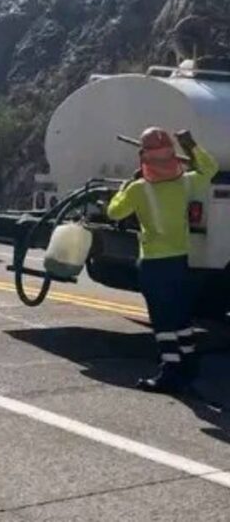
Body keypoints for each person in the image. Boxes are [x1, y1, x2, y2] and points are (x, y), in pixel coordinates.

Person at [106, 128, 217, 393]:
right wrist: (190, 145)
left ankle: (170, 372)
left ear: (144, 158)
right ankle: (189, 362)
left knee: (163, 320)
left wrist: (123, 188)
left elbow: (114, 212)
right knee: (180, 315)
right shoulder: (186, 183)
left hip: (154, 264)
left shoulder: (138, 189)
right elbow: (209, 168)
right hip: (180, 260)